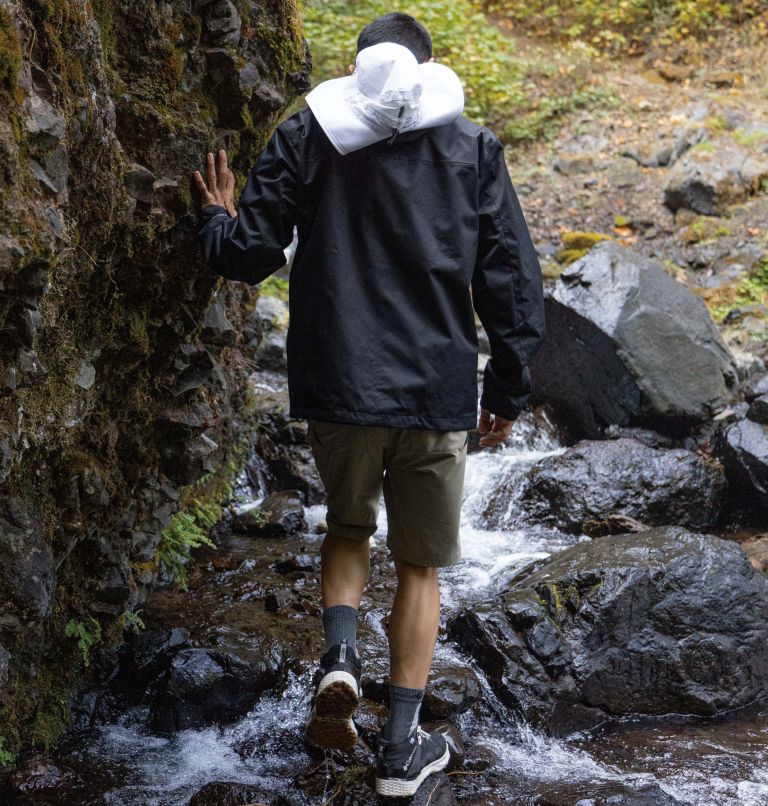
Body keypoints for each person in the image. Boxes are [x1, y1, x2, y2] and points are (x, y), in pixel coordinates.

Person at [194, 11, 546, 798]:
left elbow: (252, 253)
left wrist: (214, 220)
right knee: (419, 566)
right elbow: (512, 281)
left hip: (338, 382)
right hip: (434, 389)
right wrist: (510, 388)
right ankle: (398, 751)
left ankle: (342, 658)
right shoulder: (473, 148)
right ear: (429, 69)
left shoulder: (308, 135)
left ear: (356, 71)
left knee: (348, 529)